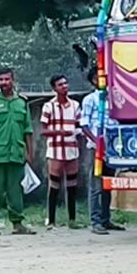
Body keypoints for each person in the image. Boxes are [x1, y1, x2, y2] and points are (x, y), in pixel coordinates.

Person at [0, 68, 36, 236]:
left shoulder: (22, 102)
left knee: (16, 190)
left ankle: (17, 223)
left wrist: (30, 153)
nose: (3, 83)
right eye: (1, 80)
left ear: (13, 80)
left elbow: (28, 130)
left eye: (6, 79)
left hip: (17, 153)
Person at [80, 66, 126, 235]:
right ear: (94, 80)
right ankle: (95, 220)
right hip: (97, 148)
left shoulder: (114, 98)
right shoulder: (90, 99)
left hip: (112, 148)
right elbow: (84, 125)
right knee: (96, 185)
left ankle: (106, 219)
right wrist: (96, 141)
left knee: (108, 184)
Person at [39, 74, 82, 228]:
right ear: (54, 88)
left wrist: (76, 133)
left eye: (65, 83)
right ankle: (51, 220)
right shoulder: (48, 107)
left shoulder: (75, 105)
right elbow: (43, 131)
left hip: (72, 148)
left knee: (72, 184)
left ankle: (72, 219)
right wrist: (59, 132)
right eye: (60, 84)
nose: (64, 86)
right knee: (54, 185)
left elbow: (79, 126)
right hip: (56, 149)